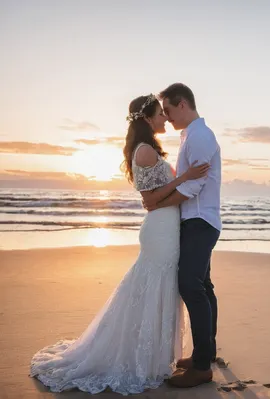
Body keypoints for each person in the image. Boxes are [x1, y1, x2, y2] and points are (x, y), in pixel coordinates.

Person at [30, 94, 209, 395]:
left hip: (165, 228)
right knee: (154, 286)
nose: (165, 118)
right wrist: (186, 177)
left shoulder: (147, 149)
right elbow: (151, 200)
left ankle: (152, 358)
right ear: (148, 118)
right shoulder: (145, 152)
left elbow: (153, 198)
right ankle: (138, 359)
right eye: (160, 114)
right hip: (161, 231)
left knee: (159, 286)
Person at [142, 83, 222, 388]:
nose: (167, 117)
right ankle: (207, 352)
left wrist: (158, 203)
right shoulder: (190, 135)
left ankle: (202, 365)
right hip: (196, 220)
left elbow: (193, 187)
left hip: (200, 220)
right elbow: (185, 181)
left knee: (190, 285)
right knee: (202, 284)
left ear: (183, 105)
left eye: (169, 111)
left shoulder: (200, 136)